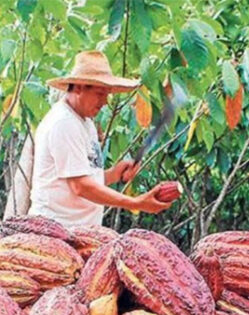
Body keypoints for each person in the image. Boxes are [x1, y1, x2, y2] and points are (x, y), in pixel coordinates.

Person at [27, 50, 172, 228]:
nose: (105, 102)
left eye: (107, 94)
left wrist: (114, 174)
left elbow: (83, 177)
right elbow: (81, 186)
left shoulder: (85, 122)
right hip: (55, 230)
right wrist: (135, 203)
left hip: (78, 232)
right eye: (100, 94)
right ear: (79, 88)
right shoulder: (64, 123)